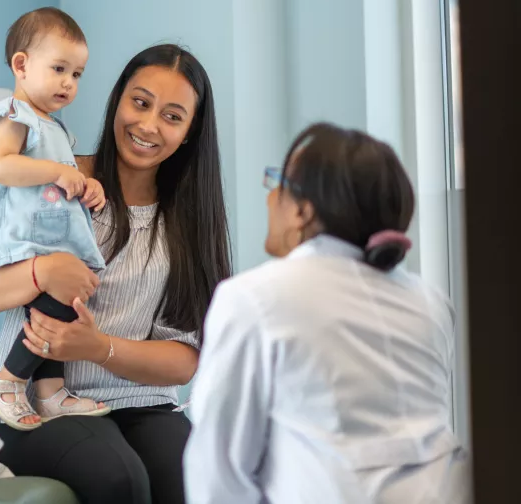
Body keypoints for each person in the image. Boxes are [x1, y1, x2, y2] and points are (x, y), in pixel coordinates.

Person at [0, 43, 232, 504]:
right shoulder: (55, 180)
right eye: (140, 103)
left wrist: (97, 348)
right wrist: (40, 271)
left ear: (189, 131)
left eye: (172, 116)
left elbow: (186, 356)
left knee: (194, 477)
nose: (148, 125)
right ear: (117, 102)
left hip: (145, 405)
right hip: (40, 407)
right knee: (118, 480)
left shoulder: (188, 220)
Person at [182, 123, 472, 503]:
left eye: (277, 183)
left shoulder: (255, 298)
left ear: (302, 209)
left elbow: (219, 470)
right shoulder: (430, 303)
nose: (269, 199)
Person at [0, 6, 111, 430]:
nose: (69, 82)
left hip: (49, 236)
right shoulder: (14, 115)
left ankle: (49, 393)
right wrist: (59, 172)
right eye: (59, 68)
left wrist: (85, 184)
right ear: (21, 65)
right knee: (57, 301)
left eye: (77, 74)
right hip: (20, 236)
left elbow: (65, 181)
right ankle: (8, 381)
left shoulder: (57, 129)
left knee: (57, 305)